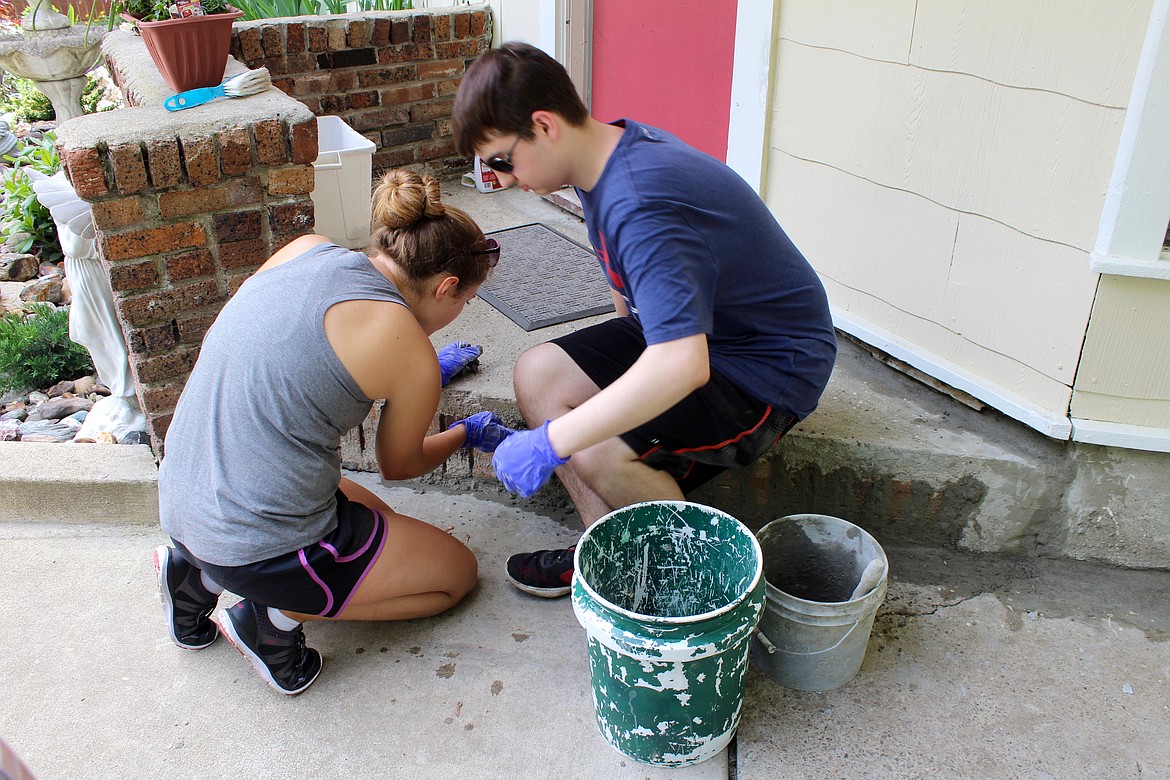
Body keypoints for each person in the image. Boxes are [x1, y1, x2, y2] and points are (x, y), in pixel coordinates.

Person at [453, 42, 838, 598]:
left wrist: (552, 439)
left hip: (770, 367)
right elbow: (625, 285)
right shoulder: (605, 156)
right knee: (539, 374)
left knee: (592, 440)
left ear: (543, 125)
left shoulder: (640, 202)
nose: (503, 180)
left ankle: (685, 584)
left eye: (501, 161)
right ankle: (608, 548)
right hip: (713, 332)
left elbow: (681, 365)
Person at [154, 169, 514, 694]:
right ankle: (270, 623)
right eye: (464, 302)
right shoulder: (406, 346)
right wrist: (463, 432)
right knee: (454, 576)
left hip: (184, 496)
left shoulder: (305, 249)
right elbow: (400, 465)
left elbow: (299, 359)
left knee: (380, 521)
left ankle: (195, 576)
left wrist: (419, 374)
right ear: (445, 287)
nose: (460, 313)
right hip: (254, 540)